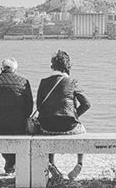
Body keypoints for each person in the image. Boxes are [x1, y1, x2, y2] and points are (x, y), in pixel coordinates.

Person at [37, 49, 91, 181]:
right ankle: (79, 163)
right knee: (82, 132)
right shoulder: (72, 82)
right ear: (68, 67)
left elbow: (39, 107)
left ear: (52, 66)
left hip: (47, 127)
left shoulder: (44, 82)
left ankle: (52, 163)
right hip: (69, 126)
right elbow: (87, 104)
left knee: (48, 131)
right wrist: (74, 115)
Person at [0, 58, 34, 175]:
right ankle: (11, 164)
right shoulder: (24, 82)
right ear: (15, 69)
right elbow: (29, 106)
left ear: (2, 68)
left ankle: (10, 163)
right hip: (19, 126)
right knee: (16, 133)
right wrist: (22, 119)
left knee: (3, 132)